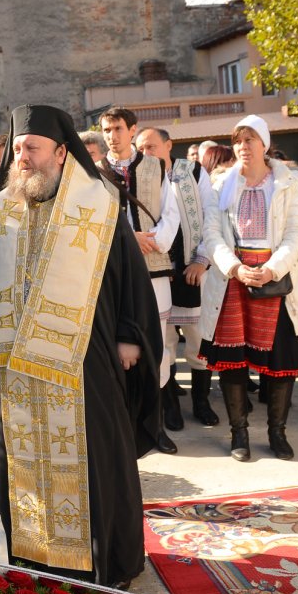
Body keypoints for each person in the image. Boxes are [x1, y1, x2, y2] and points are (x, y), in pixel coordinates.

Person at [0, 104, 161, 589]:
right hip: (13, 370)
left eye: (32, 149)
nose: (23, 158)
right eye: (17, 149)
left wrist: (129, 334)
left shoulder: (98, 203)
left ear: (61, 152)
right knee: (15, 465)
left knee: (95, 460)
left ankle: (104, 564)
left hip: (82, 359)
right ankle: (33, 563)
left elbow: (129, 275)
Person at [198, 115, 298, 461]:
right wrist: (235, 268)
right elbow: (211, 234)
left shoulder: (286, 183)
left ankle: (277, 432)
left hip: (275, 279)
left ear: (264, 144)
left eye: (250, 139)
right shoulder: (221, 184)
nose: (243, 147)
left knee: (281, 360)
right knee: (232, 361)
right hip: (233, 280)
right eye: (238, 140)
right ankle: (239, 433)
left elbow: (296, 233)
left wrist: (271, 268)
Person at [100, 107, 180, 453]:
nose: (112, 135)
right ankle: (121, 426)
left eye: (118, 128)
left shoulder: (155, 166)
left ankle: (155, 425)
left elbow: (171, 213)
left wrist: (153, 242)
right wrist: (128, 239)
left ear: (131, 130)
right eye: (106, 129)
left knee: (156, 347)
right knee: (115, 346)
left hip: (154, 267)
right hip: (113, 272)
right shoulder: (93, 173)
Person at [135, 126, 220, 427]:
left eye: (152, 147)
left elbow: (212, 216)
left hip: (192, 270)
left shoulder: (193, 172)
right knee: (165, 342)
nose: (147, 154)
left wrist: (202, 260)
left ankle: (201, 402)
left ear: (169, 145)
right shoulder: (139, 177)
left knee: (198, 340)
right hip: (159, 273)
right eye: (141, 148)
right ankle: (170, 405)